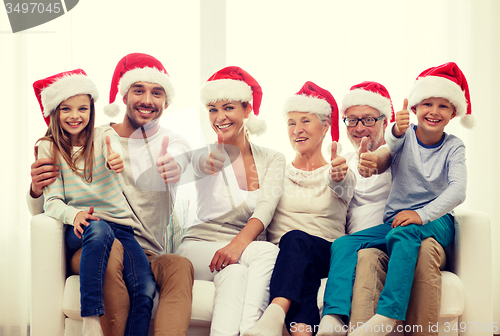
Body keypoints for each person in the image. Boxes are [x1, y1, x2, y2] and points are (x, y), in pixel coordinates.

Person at [28, 53, 194, 336]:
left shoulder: (172, 142)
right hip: (95, 242)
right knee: (112, 249)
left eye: (157, 93)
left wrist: (175, 165)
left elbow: (180, 157)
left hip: (144, 249)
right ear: (123, 95)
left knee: (180, 265)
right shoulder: (97, 137)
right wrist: (35, 188)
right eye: (138, 90)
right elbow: (45, 207)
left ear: (166, 102)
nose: (147, 100)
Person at [320, 62, 474, 336]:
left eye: (443, 106)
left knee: (403, 234)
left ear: (453, 113)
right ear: (414, 109)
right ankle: (333, 317)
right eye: (427, 103)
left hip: (436, 221)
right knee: (344, 243)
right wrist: (371, 163)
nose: (434, 111)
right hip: (398, 223)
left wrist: (421, 214)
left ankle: (388, 316)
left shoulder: (454, 146)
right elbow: (384, 155)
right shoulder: (402, 137)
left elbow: (458, 190)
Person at [175, 66, 285, 336]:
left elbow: (266, 207)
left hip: (237, 254)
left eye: (228, 108)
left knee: (235, 275)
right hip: (199, 247)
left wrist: (236, 246)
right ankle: (254, 331)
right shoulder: (204, 156)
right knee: (268, 251)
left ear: (247, 110)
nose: (220, 117)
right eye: (212, 109)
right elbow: (172, 172)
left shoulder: (273, 159)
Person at [242, 81, 356, 336]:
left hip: (325, 253)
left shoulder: (339, 170)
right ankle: (302, 333)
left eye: (305, 121)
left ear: (325, 127)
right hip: (284, 259)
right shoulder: (276, 169)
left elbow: (342, 186)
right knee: (299, 264)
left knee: (294, 240)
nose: (297, 130)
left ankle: (275, 313)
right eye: (291, 123)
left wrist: (337, 175)